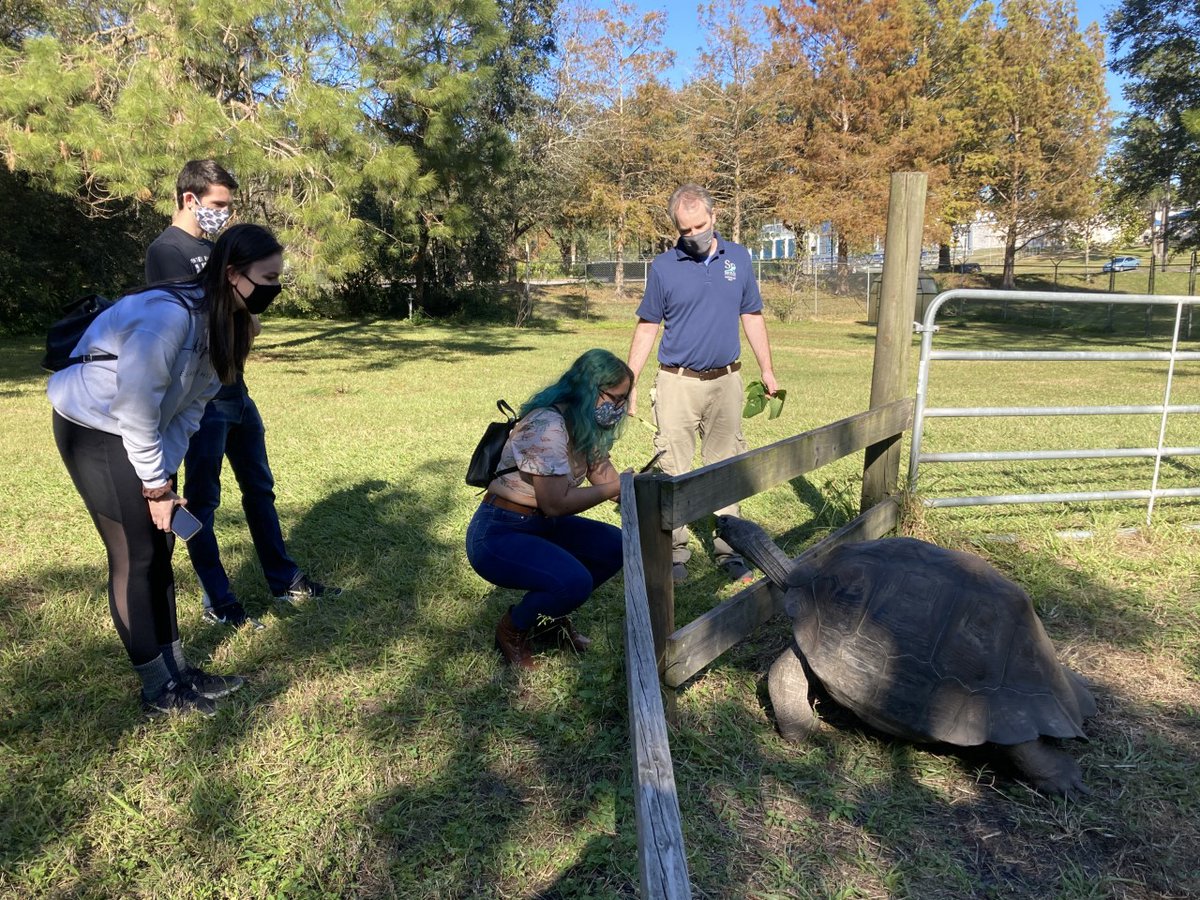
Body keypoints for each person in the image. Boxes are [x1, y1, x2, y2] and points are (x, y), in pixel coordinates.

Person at [48, 224, 285, 716]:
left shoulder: (225, 324)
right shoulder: (168, 317)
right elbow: (135, 407)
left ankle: (178, 670)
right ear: (233, 274)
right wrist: (155, 487)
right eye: (268, 278)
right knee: (136, 553)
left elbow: (190, 412)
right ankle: (157, 689)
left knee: (162, 545)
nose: (274, 290)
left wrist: (164, 479)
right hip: (95, 422)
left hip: (139, 430)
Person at [145, 160, 338, 628]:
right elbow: (188, 329)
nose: (224, 214)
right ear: (190, 199)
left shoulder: (215, 249)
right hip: (202, 404)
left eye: (229, 206)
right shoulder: (166, 251)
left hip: (236, 392)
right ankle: (220, 600)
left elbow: (241, 319)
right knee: (203, 502)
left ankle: (284, 579)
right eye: (218, 204)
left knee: (260, 491)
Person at [626, 183, 780, 585]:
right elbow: (648, 326)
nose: (693, 235)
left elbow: (752, 315)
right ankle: (674, 552)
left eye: (699, 225)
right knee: (673, 468)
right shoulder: (663, 267)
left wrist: (766, 369)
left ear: (715, 217)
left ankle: (730, 549)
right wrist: (631, 381)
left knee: (726, 466)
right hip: (677, 382)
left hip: (727, 381)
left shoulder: (740, 259)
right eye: (685, 229)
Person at [465, 349, 632, 669]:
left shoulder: (583, 423)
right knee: (574, 581)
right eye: (616, 398)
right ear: (590, 390)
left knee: (615, 546)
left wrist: (637, 488)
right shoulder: (548, 426)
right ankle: (512, 629)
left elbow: (604, 475)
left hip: (541, 526)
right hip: (500, 531)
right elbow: (555, 504)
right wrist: (614, 488)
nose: (619, 408)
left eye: (624, 399)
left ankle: (549, 620)